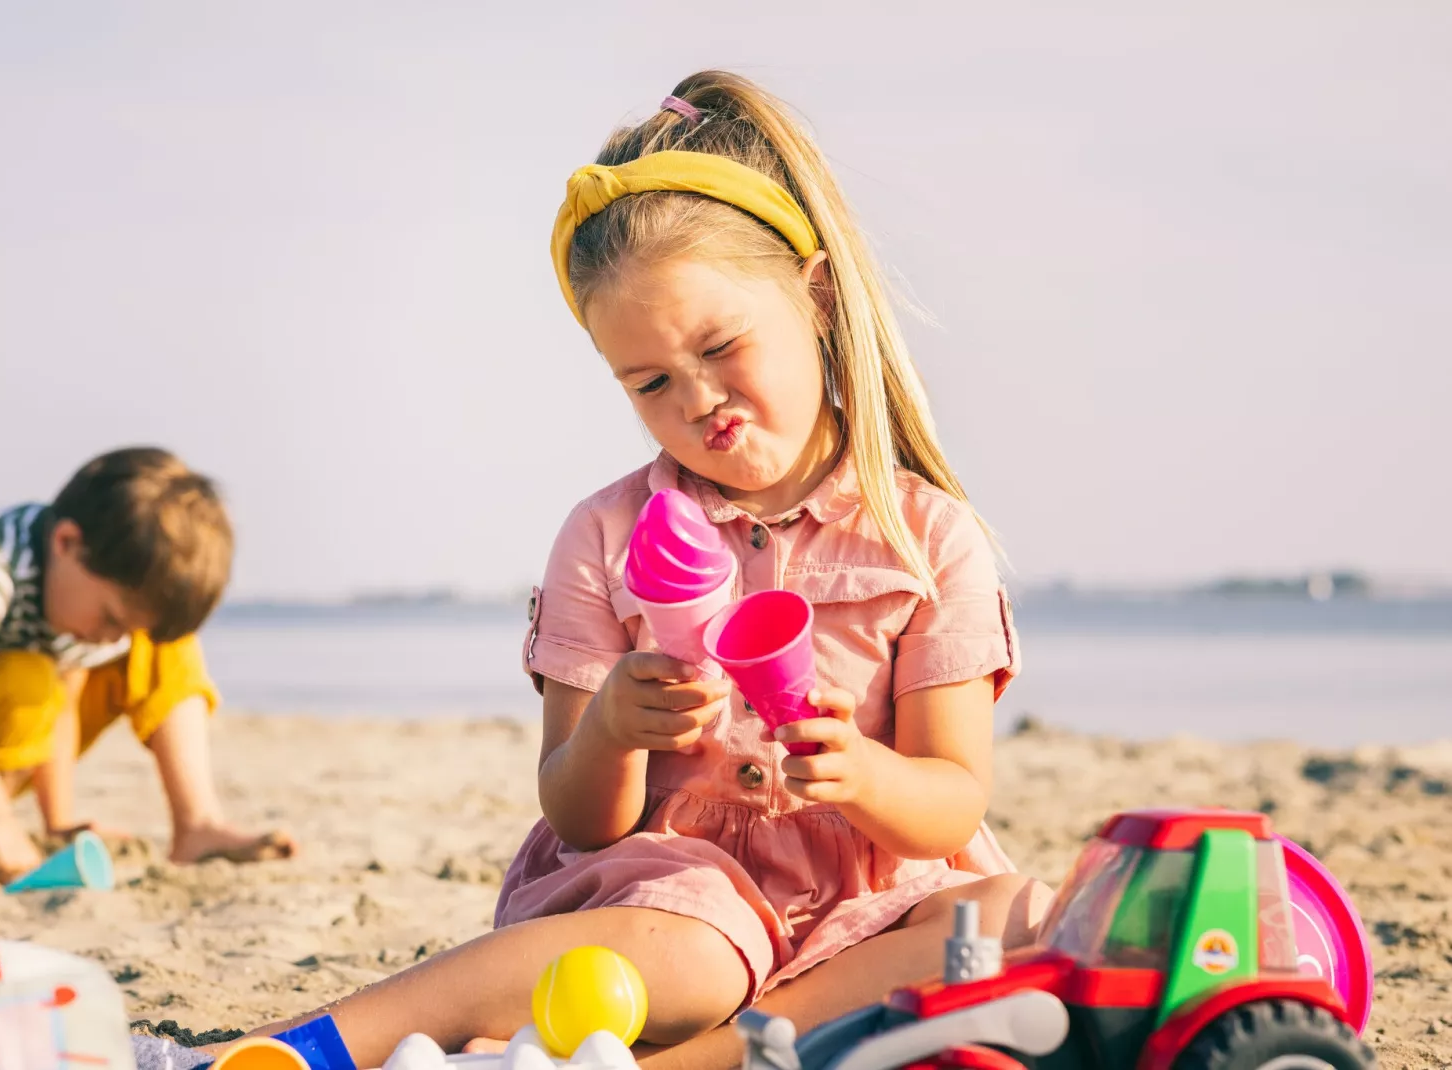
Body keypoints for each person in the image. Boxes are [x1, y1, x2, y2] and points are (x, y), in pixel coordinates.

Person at [216, 70, 1048, 1069]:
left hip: (867, 910)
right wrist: (611, 727)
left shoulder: (927, 537)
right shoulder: (605, 536)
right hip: (664, 904)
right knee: (695, 957)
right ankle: (298, 1046)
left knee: (1016, 913)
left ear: (815, 295)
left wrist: (863, 772)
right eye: (651, 382)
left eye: (721, 346)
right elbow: (574, 810)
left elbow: (952, 798)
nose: (701, 399)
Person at [0, 446, 295, 885]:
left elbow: (68, 691)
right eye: (111, 619)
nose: (112, 637)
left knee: (160, 643)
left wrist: (56, 822)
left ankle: (196, 823)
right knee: (29, 677)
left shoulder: (74, 586)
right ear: (66, 543)